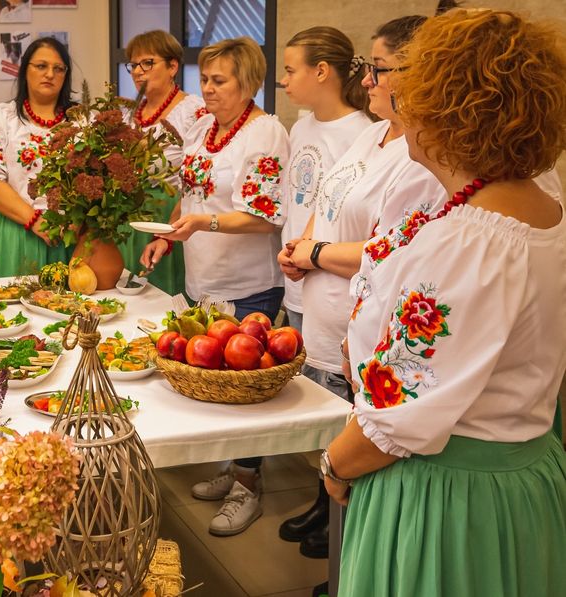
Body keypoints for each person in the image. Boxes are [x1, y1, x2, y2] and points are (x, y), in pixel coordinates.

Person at [327, 9, 566, 595]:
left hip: (443, 492)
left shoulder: (472, 239)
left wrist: (335, 461)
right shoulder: (524, 206)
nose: (393, 107)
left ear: (447, 110)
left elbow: (399, 412)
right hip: (512, 475)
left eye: (407, 91)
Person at [141, 36, 289, 537]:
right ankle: (231, 469)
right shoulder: (204, 127)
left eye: (219, 80)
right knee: (214, 380)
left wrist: (202, 225)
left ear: (247, 83)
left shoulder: (266, 133)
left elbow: (265, 217)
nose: (207, 89)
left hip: (249, 283)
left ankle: (249, 484)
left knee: (244, 388)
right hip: (203, 279)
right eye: (203, 79)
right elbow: (190, 196)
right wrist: (168, 235)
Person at [268, 25, 376, 560]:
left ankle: (332, 504)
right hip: (302, 276)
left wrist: (313, 253)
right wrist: (296, 250)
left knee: (338, 399)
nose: (282, 80)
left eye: (290, 69)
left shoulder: (361, 132)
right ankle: (318, 500)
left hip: (335, 280)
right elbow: (310, 200)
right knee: (315, 392)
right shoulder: (303, 124)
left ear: (321, 72)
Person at [0, 37, 75, 276]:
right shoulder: (3, 117)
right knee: (12, 307)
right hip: (14, 229)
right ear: (25, 69)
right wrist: (35, 220)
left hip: (67, 235)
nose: (50, 74)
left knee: (67, 307)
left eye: (58, 69)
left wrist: (75, 225)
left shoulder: (80, 120)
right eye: (41, 66)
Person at [119, 30, 206, 296]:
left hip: (170, 216)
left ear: (172, 66)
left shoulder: (194, 111)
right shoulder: (127, 114)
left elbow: (198, 178)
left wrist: (168, 232)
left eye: (147, 63)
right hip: (128, 217)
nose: (137, 71)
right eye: (133, 65)